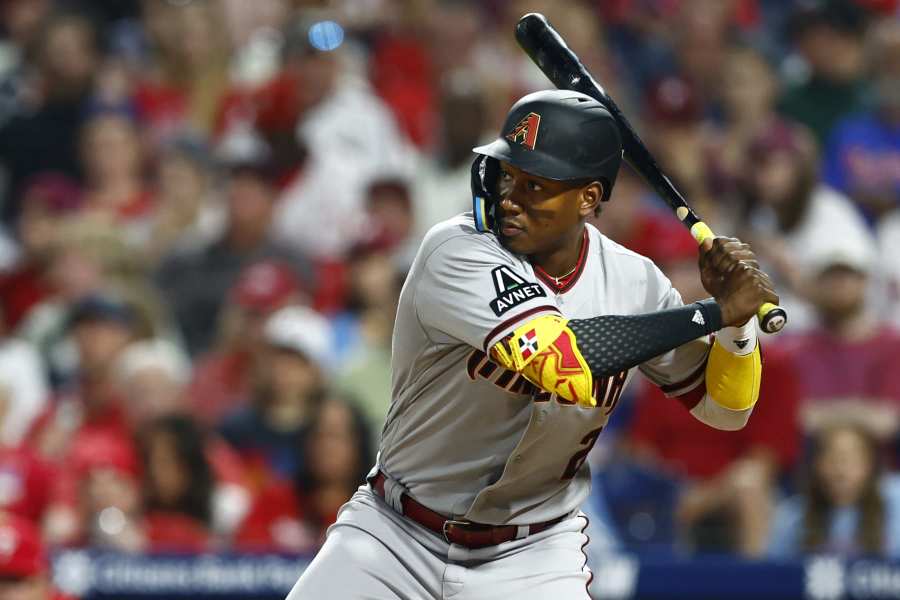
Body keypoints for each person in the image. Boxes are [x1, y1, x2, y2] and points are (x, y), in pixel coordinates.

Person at [288, 89, 778, 598]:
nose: (508, 198)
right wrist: (714, 310)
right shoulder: (458, 250)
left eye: (535, 185)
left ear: (588, 197)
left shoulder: (635, 281)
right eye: (507, 175)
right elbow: (559, 362)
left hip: (531, 555)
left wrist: (736, 326)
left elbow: (725, 407)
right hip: (395, 537)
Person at [768, 421, 900, 559]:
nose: (841, 471)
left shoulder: (895, 502)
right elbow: (773, 573)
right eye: (832, 459)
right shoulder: (792, 515)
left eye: (851, 460)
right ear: (816, 465)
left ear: (871, 466)